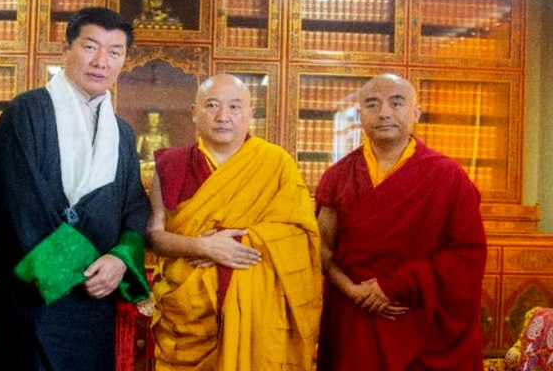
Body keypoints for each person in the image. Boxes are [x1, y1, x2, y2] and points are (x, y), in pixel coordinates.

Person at [0, 7, 150, 370]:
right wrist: (87, 270)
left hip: (97, 303)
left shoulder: (122, 133)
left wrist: (119, 261)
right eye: (90, 46)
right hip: (34, 300)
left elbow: (135, 208)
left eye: (114, 51)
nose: (101, 61)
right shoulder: (26, 112)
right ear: (66, 48)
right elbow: (19, 206)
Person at [147, 74, 323, 371]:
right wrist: (202, 246)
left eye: (234, 107)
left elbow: (300, 235)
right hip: (188, 312)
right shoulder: (170, 165)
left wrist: (237, 243)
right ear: (194, 112)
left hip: (258, 310)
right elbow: (153, 236)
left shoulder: (276, 163)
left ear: (250, 113)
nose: (223, 116)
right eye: (212, 105)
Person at [315, 73, 487, 370]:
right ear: (360, 114)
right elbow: (322, 249)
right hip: (355, 317)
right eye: (372, 104)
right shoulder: (337, 176)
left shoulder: (448, 176)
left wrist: (397, 284)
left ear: (415, 113)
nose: (384, 113)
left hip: (420, 317)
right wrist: (353, 292)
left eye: (396, 103)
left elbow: (468, 254)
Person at [136, 107, 171, 187]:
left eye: (156, 118)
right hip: (147, 164)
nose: (153, 121)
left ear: (159, 120)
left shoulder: (162, 136)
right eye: (151, 118)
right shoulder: (143, 136)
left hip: (158, 162)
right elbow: (137, 153)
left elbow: (168, 153)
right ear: (147, 120)